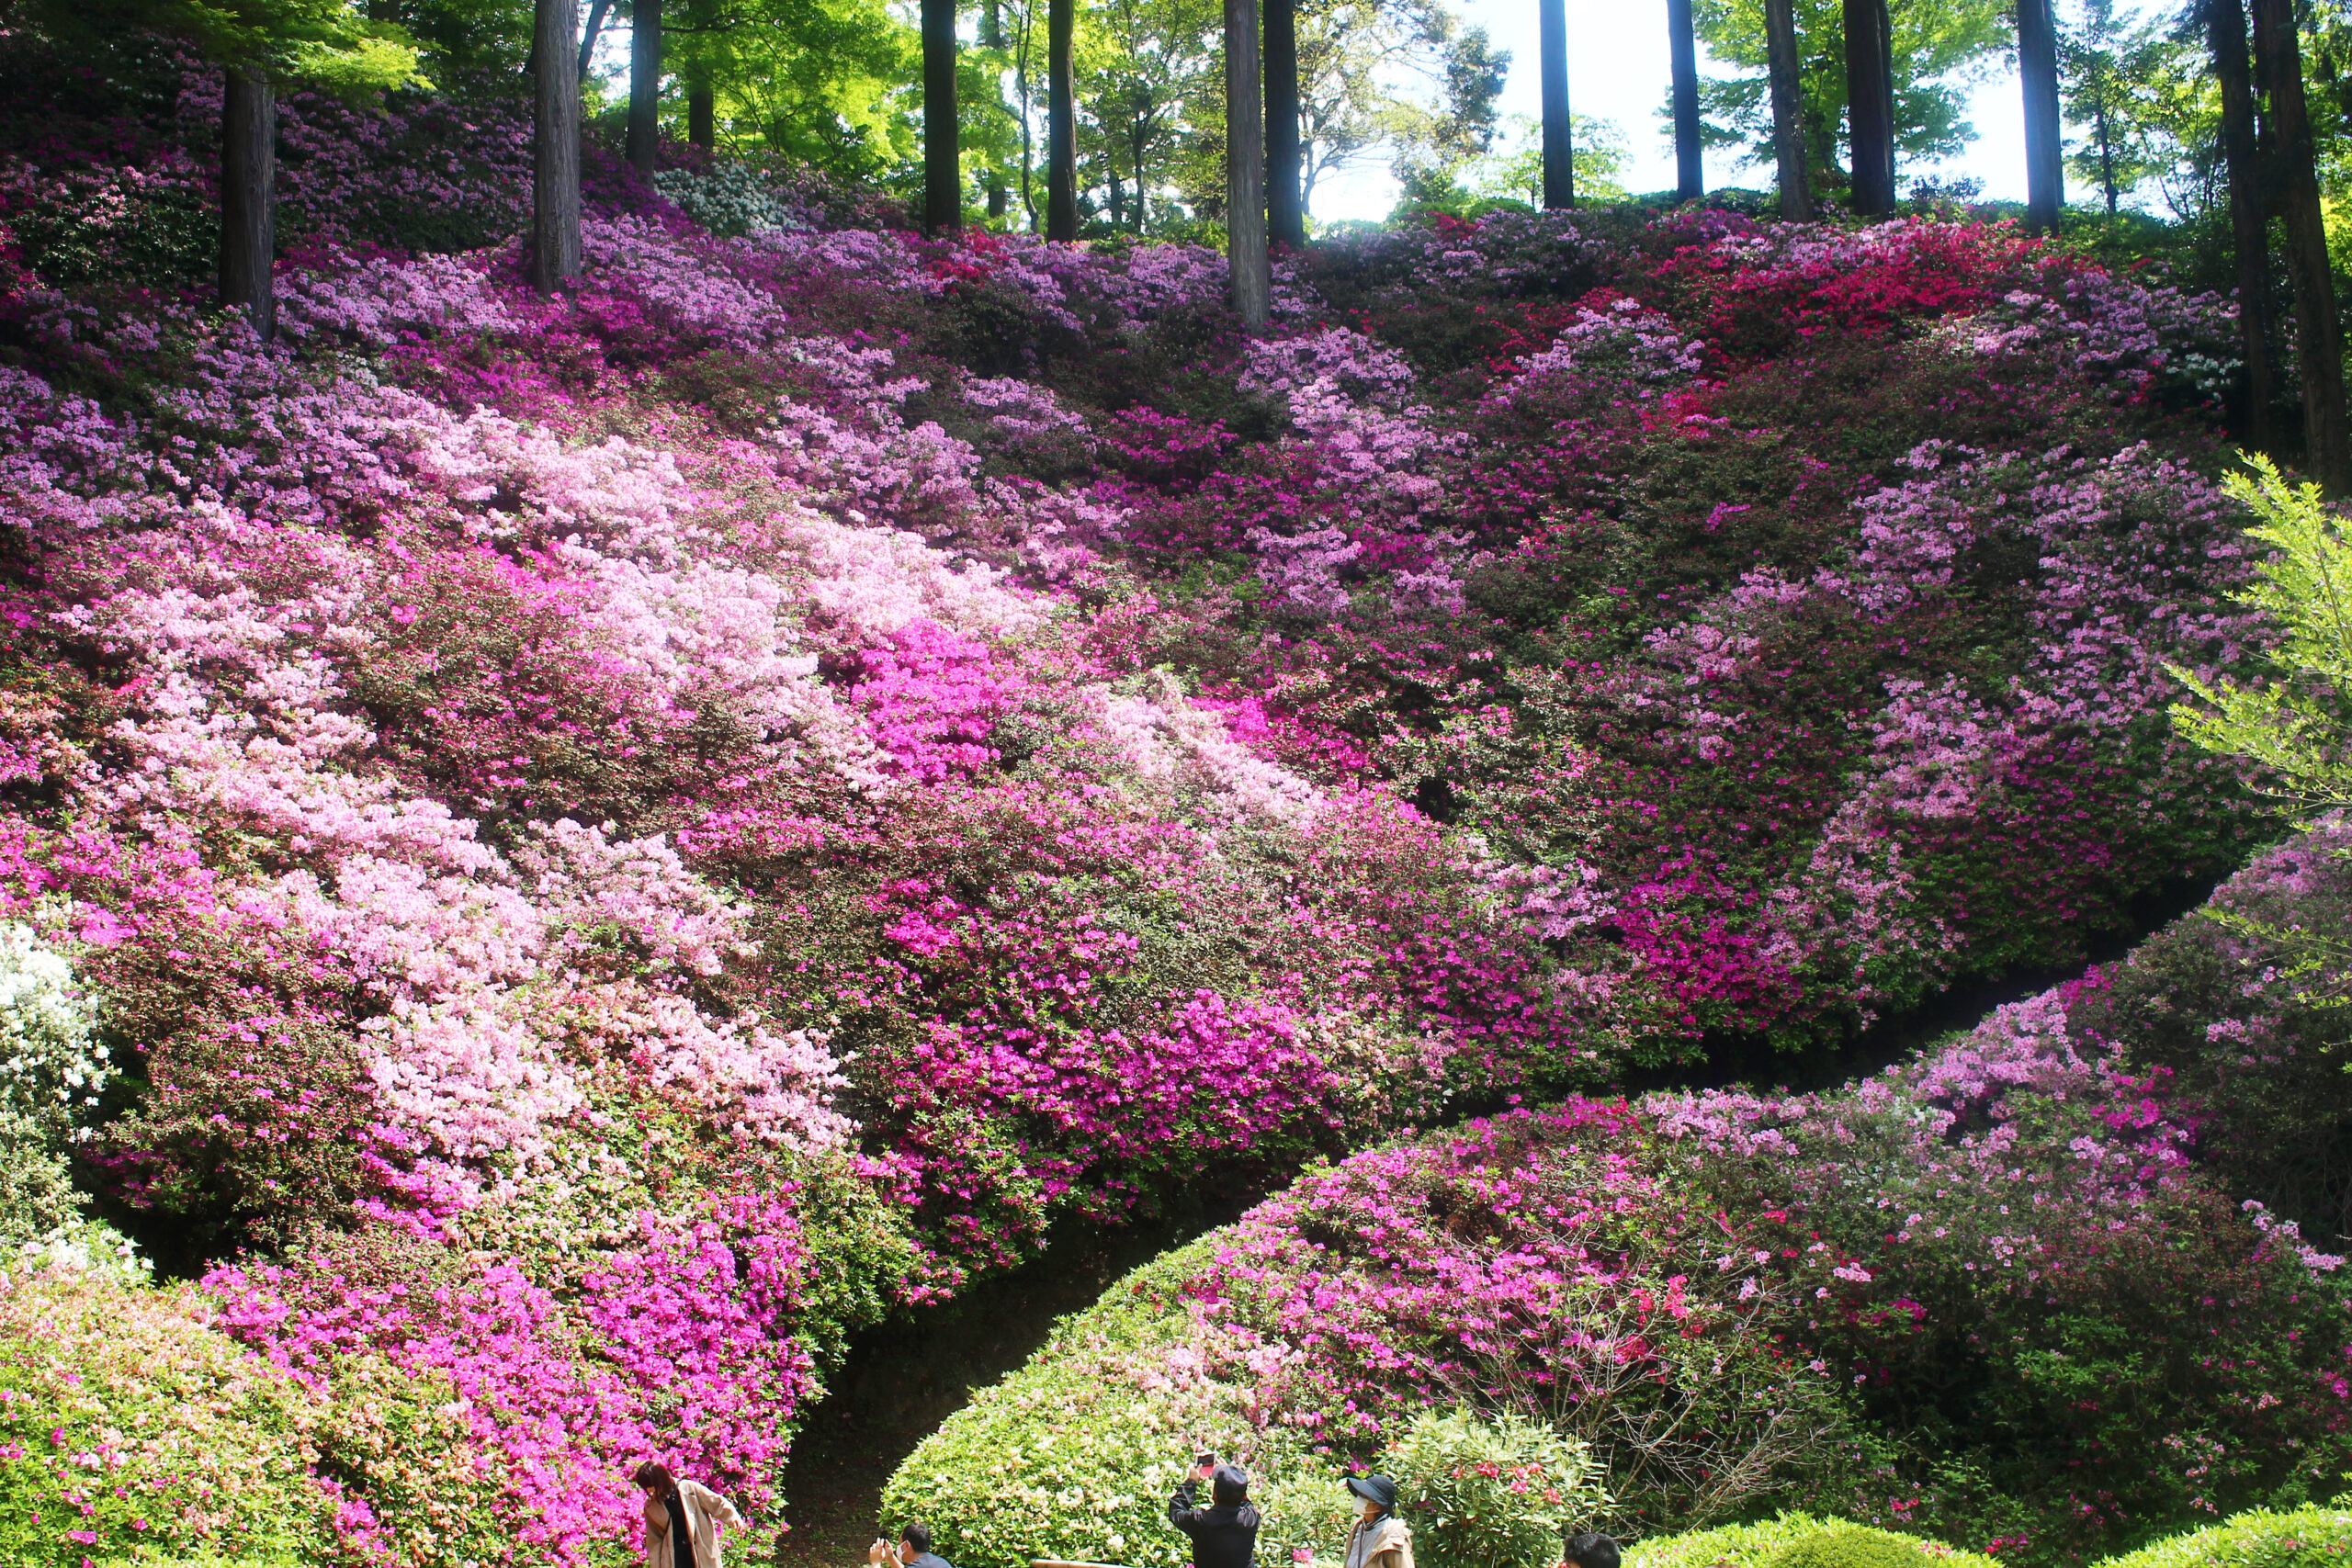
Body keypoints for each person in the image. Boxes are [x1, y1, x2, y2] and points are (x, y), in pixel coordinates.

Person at [635, 1461, 747, 1568]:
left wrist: (733, 1517)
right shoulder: (652, 1506)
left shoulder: (689, 1489)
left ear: (660, 1480)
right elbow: (654, 1540)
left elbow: (716, 1503)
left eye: (650, 1486)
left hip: (700, 1551)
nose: (649, 1491)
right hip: (674, 1558)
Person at [1169, 1453, 1260, 1568]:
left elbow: (1175, 1511)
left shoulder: (1202, 1522)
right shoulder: (1251, 1519)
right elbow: (1245, 1501)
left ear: (1215, 1494)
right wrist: (1231, 1476)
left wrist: (1191, 1482)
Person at [1340, 1475, 1412, 1568]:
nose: (1359, 1499)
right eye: (1360, 1494)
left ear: (1378, 1506)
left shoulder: (1393, 1537)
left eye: (1365, 1496)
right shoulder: (1357, 1528)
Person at [871, 1521, 954, 1568]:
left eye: (900, 1543)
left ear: (906, 1545)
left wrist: (876, 1563)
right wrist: (890, 1557)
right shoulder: (940, 1562)